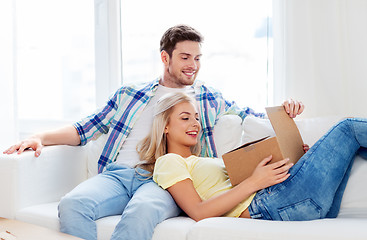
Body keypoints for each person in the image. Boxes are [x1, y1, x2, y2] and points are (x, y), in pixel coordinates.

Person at [3, 24, 304, 240]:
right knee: (72, 204)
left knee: (141, 213)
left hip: (167, 182)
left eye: (197, 58)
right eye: (185, 57)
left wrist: (286, 109)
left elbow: (253, 118)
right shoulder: (130, 94)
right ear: (165, 58)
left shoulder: (208, 98)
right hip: (118, 175)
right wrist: (40, 137)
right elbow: (85, 128)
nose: (193, 66)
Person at [143, 91, 367, 222]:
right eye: (185, 118)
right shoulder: (168, 162)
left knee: (353, 145)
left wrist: (300, 159)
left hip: (292, 200)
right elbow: (199, 212)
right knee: (348, 129)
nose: (194, 124)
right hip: (268, 206)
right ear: (165, 126)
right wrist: (255, 182)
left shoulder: (208, 159)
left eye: (196, 118)